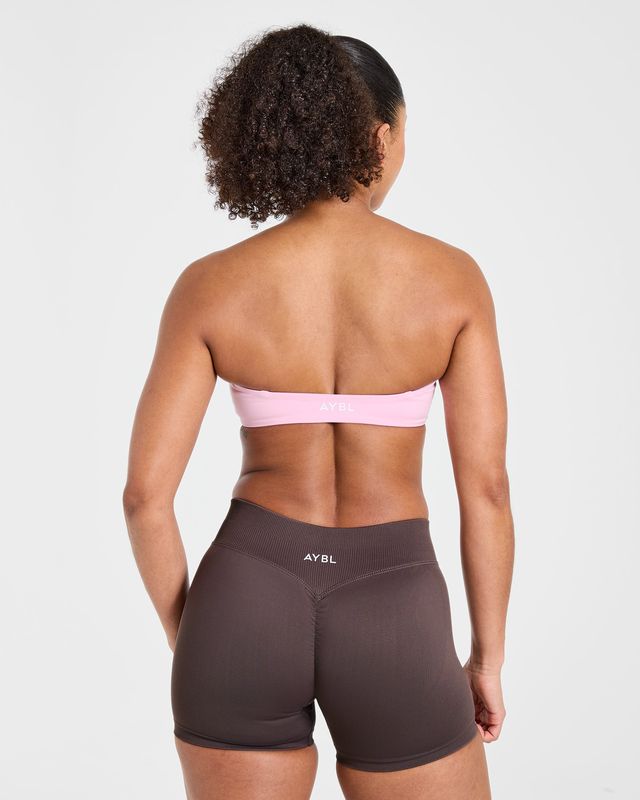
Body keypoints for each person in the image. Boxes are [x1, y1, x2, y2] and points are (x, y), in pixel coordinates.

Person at [123, 22, 514, 800]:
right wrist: (486, 660)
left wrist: (197, 637)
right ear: (379, 137)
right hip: (395, 604)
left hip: (245, 595)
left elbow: (144, 499)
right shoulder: (451, 280)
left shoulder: (211, 285)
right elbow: (488, 491)